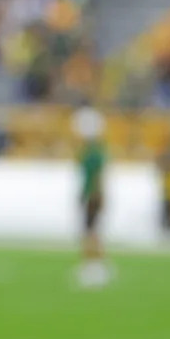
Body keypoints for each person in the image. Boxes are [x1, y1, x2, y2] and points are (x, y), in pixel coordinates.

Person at [72, 105, 110, 287]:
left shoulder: (94, 152)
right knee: (91, 231)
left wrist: (95, 195)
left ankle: (93, 266)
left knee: (90, 232)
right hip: (90, 194)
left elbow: (97, 176)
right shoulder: (92, 150)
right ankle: (95, 265)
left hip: (92, 196)